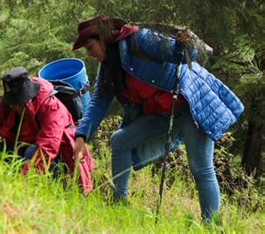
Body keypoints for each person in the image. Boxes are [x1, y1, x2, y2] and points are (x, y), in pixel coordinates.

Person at [71, 14, 244, 221]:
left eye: (90, 47)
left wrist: (183, 45)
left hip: (190, 104)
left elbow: (186, 53)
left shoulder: (139, 40)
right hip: (163, 113)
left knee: (201, 168)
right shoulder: (108, 66)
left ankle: (211, 226)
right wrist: (81, 135)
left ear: (104, 39)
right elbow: (99, 100)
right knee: (120, 140)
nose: (90, 54)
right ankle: (119, 204)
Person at [0, 67, 95, 193]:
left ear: (28, 97)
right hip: (22, 143)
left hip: (55, 150)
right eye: (13, 103)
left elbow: (47, 147)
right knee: (0, 149)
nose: (15, 107)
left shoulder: (51, 107)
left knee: (32, 153)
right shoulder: (6, 105)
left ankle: (52, 191)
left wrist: (25, 178)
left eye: (19, 103)